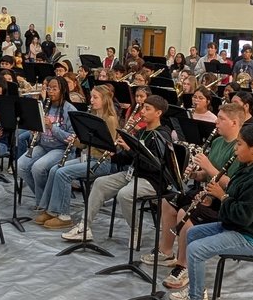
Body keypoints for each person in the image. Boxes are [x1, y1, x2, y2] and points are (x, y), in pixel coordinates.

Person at [169, 124, 253, 300]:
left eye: (239, 144)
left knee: (197, 249)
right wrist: (212, 195)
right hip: (242, 228)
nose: (235, 148)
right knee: (192, 233)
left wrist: (222, 197)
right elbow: (236, 188)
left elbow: (243, 216)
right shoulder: (249, 165)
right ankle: (195, 289)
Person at [145, 103, 247, 290]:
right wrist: (194, 174)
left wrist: (208, 167)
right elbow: (205, 175)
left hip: (223, 199)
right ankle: (166, 251)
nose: (216, 122)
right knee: (167, 200)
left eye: (221, 119)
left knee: (186, 214)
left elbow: (232, 183)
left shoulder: (240, 148)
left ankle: (182, 266)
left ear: (234, 122)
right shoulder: (216, 142)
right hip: (207, 190)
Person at [62, 95, 172, 244]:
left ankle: (135, 230)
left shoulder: (162, 136)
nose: (142, 112)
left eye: (147, 109)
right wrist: (114, 154)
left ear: (158, 113)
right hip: (133, 173)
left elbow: (154, 165)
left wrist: (130, 150)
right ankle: (84, 227)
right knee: (100, 182)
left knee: (124, 195)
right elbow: (128, 159)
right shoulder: (141, 132)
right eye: (143, 108)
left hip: (152, 179)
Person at [36, 85, 120, 229]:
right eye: (91, 97)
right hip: (87, 158)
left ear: (105, 100)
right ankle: (50, 210)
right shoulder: (93, 116)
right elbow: (83, 145)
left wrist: (89, 138)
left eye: (95, 97)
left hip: (101, 162)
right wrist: (74, 140)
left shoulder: (110, 119)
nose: (91, 100)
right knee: (55, 169)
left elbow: (108, 147)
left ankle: (64, 215)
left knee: (63, 173)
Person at [18, 76, 77, 209]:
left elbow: (72, 138)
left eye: (54, 89)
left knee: (38, 167)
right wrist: (35, 131)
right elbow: (39, 131)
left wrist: (52, 127)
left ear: (63, 90)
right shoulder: (44, 106)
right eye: (49, 88)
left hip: (61, 149)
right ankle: (45, 199)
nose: (50, 92)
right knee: (21, 165)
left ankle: (43, 204)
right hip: (44, 145)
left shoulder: (70, 109)